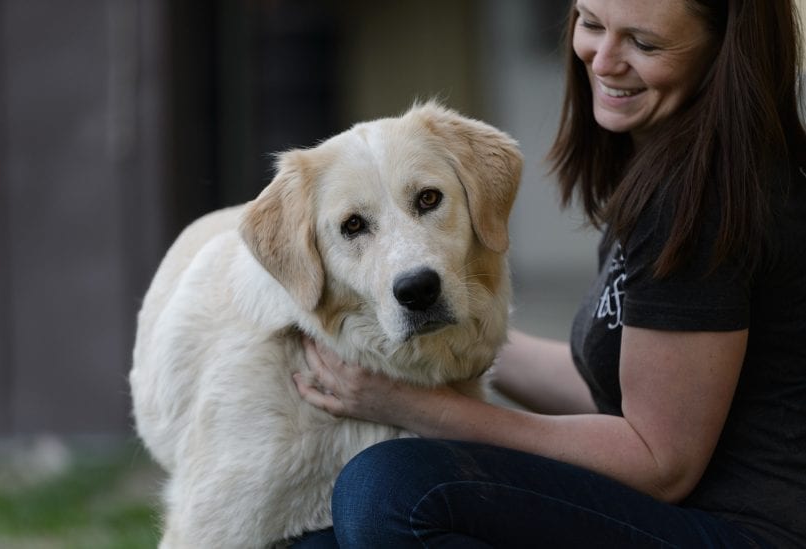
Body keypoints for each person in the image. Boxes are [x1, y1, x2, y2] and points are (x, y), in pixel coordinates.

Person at [292, 0, 806, 547]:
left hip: (741, 533)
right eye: (591, 23)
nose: (604, 60)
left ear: (722, 50)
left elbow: (660, 461)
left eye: (645, 44)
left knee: (392, 488)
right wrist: (450, 340)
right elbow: (624, 394)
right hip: (686, 519)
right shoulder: (677, 169)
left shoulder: (705, 198)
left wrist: (415, 406)